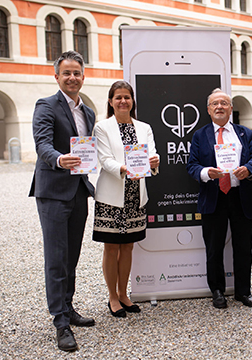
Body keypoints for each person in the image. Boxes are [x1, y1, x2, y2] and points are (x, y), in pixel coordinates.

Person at [29, 50, 96, 352]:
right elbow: (42, 143)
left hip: (79, 190)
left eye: (77, 73)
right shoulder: (46, 105)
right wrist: (59, 159)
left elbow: (89, 149)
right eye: (66, 73)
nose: (72, 78)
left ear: (83, 77)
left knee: (72, 257)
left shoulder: (89, 112)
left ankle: (67, 307)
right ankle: (60, 322)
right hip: (54, 191)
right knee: (56, 258)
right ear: (57, 76)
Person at [187, 88, 252, 309]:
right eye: (215, 104)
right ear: (209, 110)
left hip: (241, 197)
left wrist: (248, 169)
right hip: (214, 197)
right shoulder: (200, 136)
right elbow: (192, 165)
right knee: (214, 248)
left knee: (243, 248)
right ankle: (217, 291)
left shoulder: (245, 133)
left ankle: (243, 291)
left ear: (231, 108)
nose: (219, 106)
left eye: (224, 103)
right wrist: (206, 173)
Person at [92, 80, 159, 318]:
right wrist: (124, 168)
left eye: (127, 97)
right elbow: (105, 159)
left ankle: (124, 293)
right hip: (112, 196)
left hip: (135, 195)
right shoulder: (102, 127)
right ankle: (112, 296)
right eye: (118, 97)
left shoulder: (144, 127)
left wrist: (154, 161)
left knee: (128, 246)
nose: (123, 101)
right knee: (111, 248)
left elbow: (151, 152)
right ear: (111, 102)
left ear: (133, 101)